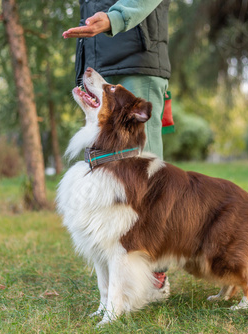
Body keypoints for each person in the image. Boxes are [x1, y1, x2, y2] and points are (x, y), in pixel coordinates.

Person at [63, 0, 171, 299]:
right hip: (101, 54)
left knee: (144, 176)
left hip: (136, 55)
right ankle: (117, 278)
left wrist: (114, 18)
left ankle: (155, 272)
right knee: (108, 179)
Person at [62, 0, 170, 160]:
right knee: (105, 173)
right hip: (97, 61)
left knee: (144, 171)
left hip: (136, 60)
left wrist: (116, 18)